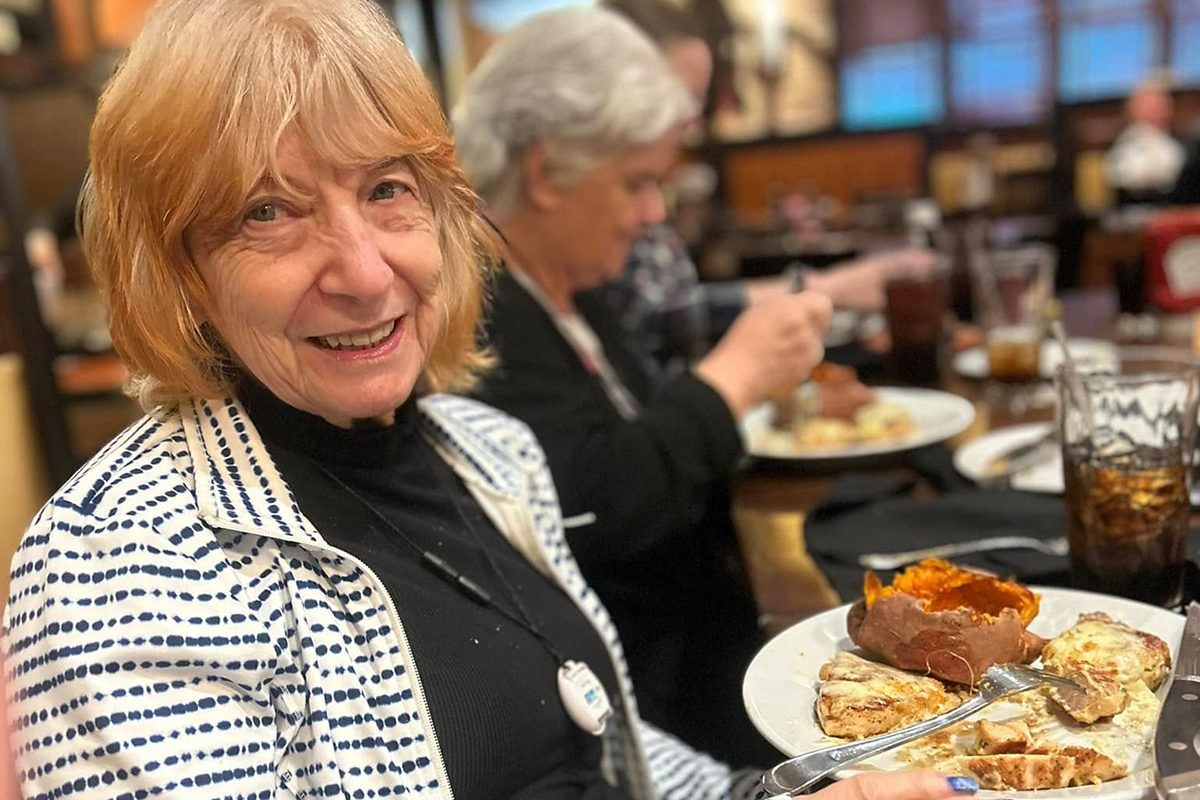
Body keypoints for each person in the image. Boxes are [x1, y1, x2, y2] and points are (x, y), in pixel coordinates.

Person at [0, 2, 980, 800]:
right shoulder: (120, 564)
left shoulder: (489, 447)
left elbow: (608, 746)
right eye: (269, 211)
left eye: (387, 188)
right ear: (176, 271)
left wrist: (772, 793)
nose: (364, 269)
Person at [454, 6, 837, 765]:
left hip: (698, 664)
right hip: (643, 726)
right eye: (637, 182)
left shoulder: (569, 287)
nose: (654, 212)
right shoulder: (480, 312)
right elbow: (595, 508)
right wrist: (732, 380)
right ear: (545, 170)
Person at [594, 0, 936, 381]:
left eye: (698, 101)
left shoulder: (645, 182)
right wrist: (827, 288)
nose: (692, 122)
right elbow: (653, 316)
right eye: (680, 98)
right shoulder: (595, 193)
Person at [1105, 76, 1185, 205]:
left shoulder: (1182, 144)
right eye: (1150, 106)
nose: (1156, 112)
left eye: (1160, 106)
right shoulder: (1123, 145)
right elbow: (1123, 177)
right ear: (1133, 110)